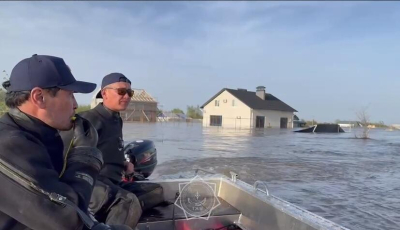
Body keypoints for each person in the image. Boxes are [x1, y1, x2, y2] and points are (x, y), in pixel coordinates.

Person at [0, 54, 131, 230]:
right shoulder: (9, 145)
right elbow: (68, 220)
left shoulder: (38, 135)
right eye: (70, 95)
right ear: (39, 97)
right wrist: (86, 155)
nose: (76, 104)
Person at [72, 73, 164, 221]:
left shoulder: (116, 120)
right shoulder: (87, 119)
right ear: (104, 93)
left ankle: (113, 213)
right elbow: (72, 158)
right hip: (95, 184)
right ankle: (115, 211)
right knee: (128, 202)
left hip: (114, 183)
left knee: (157, 191)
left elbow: (110, 148)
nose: (126, 96)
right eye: (121, 91)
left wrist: (124, 163)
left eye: (130, 92)